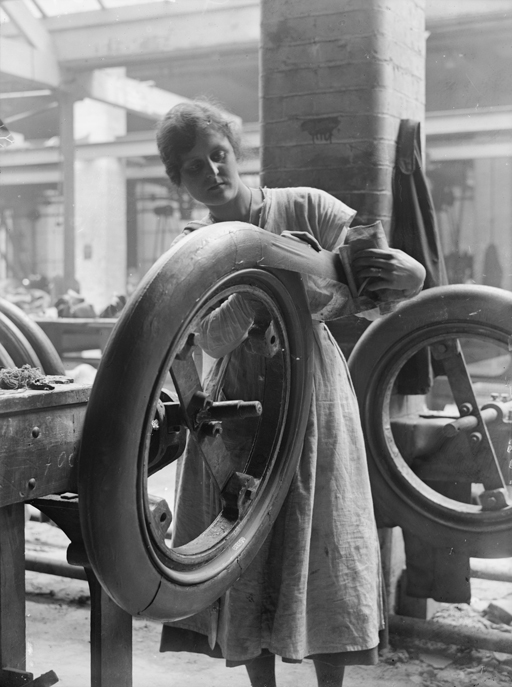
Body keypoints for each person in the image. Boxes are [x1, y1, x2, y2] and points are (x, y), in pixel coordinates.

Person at [155, 100, 426, 687]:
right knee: (244, 550)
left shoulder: (305, 206)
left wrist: (410, 274)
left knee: (325, 533)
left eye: (218, 155)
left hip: (314, 392)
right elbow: (211, 338)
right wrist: (269, 284)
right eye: (195, 167)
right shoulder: (192, 248)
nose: (213, 172)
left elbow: (370, 279)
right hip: (237, 409)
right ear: (180, 182)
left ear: (237, 151)